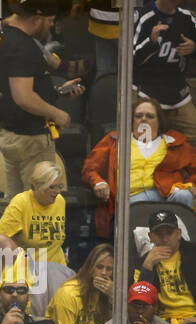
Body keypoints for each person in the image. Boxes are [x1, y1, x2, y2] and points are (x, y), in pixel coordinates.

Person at [0, 0, 77, 193]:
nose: (52, 25)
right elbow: (23, 96)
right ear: (37, 18)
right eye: (50, 20)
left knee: (16, 205)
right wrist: (57, 114)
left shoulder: (3, 37)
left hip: (11, 131)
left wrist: (54, 92)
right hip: (29, 139)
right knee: (40, 206)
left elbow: (16, 87)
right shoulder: (22, 46)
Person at [82, 98, 196, 241]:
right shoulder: (116, 140)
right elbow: (90, 167)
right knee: (135, 204)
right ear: (132, 120)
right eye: (139, 116)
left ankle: (183, 242)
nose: (144, 119)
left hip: (167, 194)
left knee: (184, 195)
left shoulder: (173, 141)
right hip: (130, 198)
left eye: (150, 116)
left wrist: (192, 185)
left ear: (159, 121)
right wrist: (98, 182)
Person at [133, 0, 196, 142]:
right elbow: (130, 59)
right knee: (145, 140)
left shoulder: (188, 18)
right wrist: (151, 41)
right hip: (147, 94)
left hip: (178, 96)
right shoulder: (143, 17)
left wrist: (194, 48)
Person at [0, 160, 67, 266]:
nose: (57, 192)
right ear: (36, 185)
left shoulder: (60, 201)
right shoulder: (21, 202)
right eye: (51, 187)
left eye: (59, 187)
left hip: (57, 267)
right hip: (29, 269)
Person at [133, 209, 196, 324]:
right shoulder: (144, 262)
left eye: (169, 233)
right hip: (161, 323)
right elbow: (139, 303)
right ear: (151, 237)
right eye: (159, 234)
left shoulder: (193, 253)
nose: (165, 239)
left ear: (178, 234)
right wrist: (147, 267)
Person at [47, 243, 113, 324]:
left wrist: (113, 297)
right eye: (99, 267)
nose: (104, 273)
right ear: (90, 267)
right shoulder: (68, 294)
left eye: (109, 269)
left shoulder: (107, 295)